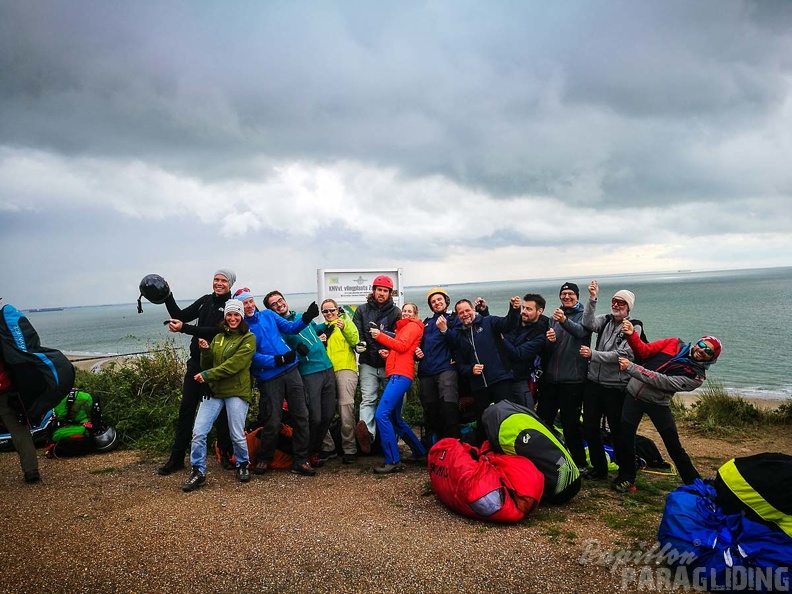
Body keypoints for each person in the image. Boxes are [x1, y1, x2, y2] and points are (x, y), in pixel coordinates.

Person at [613, 323, 723, 493]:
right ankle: (627, 477)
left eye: (708, 352)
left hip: (658, 404)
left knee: (673, 445)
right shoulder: (673, 343)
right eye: (702, 345)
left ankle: (694, 484)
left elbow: (661, 380)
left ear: (711, 359)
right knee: (625, 438)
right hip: (633, 395)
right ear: (697, 343)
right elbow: (644, 351)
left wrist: (631, 368)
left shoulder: (695, 377)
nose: (702, 351)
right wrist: (631, 335)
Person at [159, 269, 236, 475]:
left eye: (223, 281)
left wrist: (185, 328)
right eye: (216, 279)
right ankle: (176, 458)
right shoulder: (205, 301)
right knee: (186, 410)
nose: (219, 283)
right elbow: (181, 315)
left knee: (221, 414)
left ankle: (226, 455)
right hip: (196, 364)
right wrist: (168, 296)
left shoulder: (230, 306)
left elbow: (216, 331)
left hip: (217, 366)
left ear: (230, 284)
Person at [236, 291, 318, 477]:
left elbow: (290, 328)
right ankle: (264, 458)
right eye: (244, 304)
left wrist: (306, 318)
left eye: (250, 301)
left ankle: (300, 460)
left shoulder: (268, 315)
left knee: (301, 415)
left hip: (291, 370)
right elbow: (251, 357)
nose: (248, 306)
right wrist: (278, 360)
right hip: (269, 377)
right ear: (239, 307)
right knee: (272, 419)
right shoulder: (241, 328)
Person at [182, 299, 256, 492]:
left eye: (236, 315)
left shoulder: (248, 338)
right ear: (225, 317)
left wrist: (207, 376)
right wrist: (205, 351)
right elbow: (208, 365)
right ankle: (198, 471)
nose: (232, 318)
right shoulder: (218, 337)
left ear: (241, 317)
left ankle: (242, 464)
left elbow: (234, 366)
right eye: (229, 315)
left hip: (236, 391)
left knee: (236, 434)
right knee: (198, 432)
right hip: (215, 391)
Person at [264, 291, 336, 468]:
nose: (279, 304)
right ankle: (307, 454)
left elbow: (312, 328)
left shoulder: (299, 317)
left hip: (327, 367)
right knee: (315, 418)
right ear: (270, 310)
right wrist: (296, 352)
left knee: (328, 415)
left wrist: (326, 328)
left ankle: (315, 451)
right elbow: (283, 352)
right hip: (308, 372)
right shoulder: (279, 329)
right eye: (274, 304)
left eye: (280, 300)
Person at [579, 282, 643, 480]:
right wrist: (592, 299)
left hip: (616, 388)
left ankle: (626, 474)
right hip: (594, 384)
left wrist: (593, 355)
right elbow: (588, 323)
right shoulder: (606, 321)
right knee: (590, 428)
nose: (616, 305)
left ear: (629, 307)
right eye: (614, 301)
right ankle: (599, 469)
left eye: (621, 303)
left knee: (618, 432)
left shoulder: (634, 327)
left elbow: (624, 354)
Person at [440, 296, 521, 443]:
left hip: (500, 379)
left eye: (467, 310)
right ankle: (484, 453)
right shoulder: (459, 335)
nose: (465, 314)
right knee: (483, 421)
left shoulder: (488, 322)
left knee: (507, 417)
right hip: (478, 386)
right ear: (458, 316)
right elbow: (459, 364)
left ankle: (511, 452)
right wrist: (471, 369)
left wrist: (515, 309)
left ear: (473, 310)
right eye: (461, 313)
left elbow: (508, 324)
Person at [537, 282, 591, 470]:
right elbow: (551, 349)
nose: (567, 297)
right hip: (552, 379)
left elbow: (581, 332)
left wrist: (564, 322)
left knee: (571, 425)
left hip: (573, 380)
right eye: (564, 294)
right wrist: (549, 341)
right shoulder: (554, 317)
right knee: (543, 421)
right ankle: (547, 459)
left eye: (571, 294)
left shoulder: (584, 316)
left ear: (577, 296)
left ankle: (580, 464)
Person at [369, 303, 427, 474]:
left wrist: (379, 336)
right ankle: (420, 452)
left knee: (381, 414)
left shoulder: (411, 326)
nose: (406, 313)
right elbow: (402, 350)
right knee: (395, 418)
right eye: (405, 311)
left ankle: (393, 460)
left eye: (410, 311)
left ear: (415, 314)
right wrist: (388, 355)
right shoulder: (404, 329)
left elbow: (401, 346)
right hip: (399, 374)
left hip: (401, 376)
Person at [353, 275, 402, 454]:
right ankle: (368, 436)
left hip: (390, 363)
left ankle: (391, 440)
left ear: (390, 293)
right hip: (368, 363)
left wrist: (389, 351)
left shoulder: (396, 312)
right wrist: (361, 345)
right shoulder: (361, 310)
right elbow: (357, 332)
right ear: (373, 291)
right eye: (379, 290)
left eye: (385, 291)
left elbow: (400, 337)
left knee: (392, 402)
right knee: (368, 399)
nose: (382, 293)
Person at [315, 299, 359, 464]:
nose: (329, 314)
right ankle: (328, 447)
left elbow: (355, 341)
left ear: (337, 309)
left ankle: (350, 449)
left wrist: (344, 327)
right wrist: (321, 343)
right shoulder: (322, 329)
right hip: (325, 371)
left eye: (331, 310)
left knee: (345, 406)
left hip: (345, 369)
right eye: (325, 311)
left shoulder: (346, 322)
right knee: (322, 410)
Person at [415, 288, 460, 443]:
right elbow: (417, 345)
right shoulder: (426, 323)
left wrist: (445, 330)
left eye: (439, 299)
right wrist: (417, 353)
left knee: (449, 409)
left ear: (446, 301)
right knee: (431, 412)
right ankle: (435, 449)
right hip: (426, 372)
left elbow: (459, 342)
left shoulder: (454, 319)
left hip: (446, 369)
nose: (436, 303)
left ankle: (455, 449)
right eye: (433, 301)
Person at [501, 293, 550, 410]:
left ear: (540, 311)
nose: (524, 311)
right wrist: (483, 311)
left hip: (520, 379)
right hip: (502, 377)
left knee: (527, 412)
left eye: (529, 309)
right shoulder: (515, 323)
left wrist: (501, 339)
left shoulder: (540, 334)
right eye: (523, 308)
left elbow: (519, 354)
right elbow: (496, 326)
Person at [0, 351, 40, 483]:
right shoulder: (5, 335)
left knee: (19, 430)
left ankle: (31, 470)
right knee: (19, 431)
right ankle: (31, 470)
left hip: (6, 391)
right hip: (6, 390)